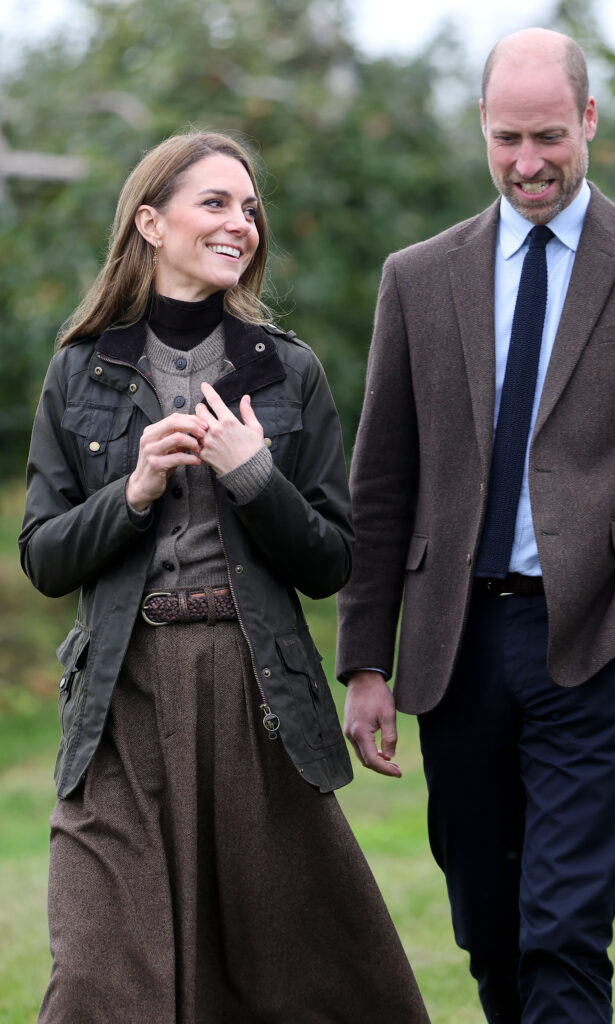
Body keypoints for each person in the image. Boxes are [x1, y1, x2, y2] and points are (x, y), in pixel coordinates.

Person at [336, 27, 615, 1024]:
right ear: (481, 124)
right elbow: (381, 484)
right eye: (509, 137)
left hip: (597, 640)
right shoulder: (418, 278)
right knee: (490, 929)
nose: (529, 162)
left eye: (551, 136)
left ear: (590, 121)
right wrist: (364, 661)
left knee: (565, 926)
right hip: (455, 648)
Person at [19, 130, 430, 1024]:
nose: (240, 224)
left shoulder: (289, 371)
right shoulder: (78, 371)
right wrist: (131, 490)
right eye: (216, 203)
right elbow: (44, 557)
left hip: (256, 693)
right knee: (94, 973)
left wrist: (254, 476)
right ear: (149, 221)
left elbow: (332, 561)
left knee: (296, 973)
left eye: (249, 208)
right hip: (119, 701)